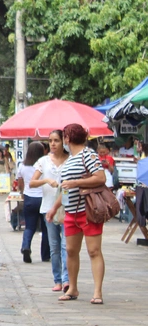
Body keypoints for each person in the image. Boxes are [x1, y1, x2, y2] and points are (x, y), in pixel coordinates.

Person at [48, 123, 107, 304]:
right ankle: (72, 288)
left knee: (93, 251)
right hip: (70, 211)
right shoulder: (70, 160)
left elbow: (100, 177)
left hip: (88, 210)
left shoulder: (87, 155)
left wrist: (75, 183)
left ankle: (97, 292)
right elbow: (65, 188)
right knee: (71, 251)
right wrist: (54, 208)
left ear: (67, 138)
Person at [31, 129, 68, 292]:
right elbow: (31, 183)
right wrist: (45, 180)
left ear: (63, 142)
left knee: (67, 246)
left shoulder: (71, 160)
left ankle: (67, 279)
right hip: (48, 208)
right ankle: (58, 279)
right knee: (54, 246)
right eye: (50, 140)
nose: (53, 144)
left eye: (56, 140)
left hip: (67, 208)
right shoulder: (43, 161)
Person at [16, 141, 50, 264]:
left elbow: (20, 184)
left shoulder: (22, 166)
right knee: (46, 228)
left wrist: (22, 193)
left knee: (29, 226)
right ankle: (45, 255)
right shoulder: (45, 165)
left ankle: (26, 246)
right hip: (44, 198)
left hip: (29, 198)